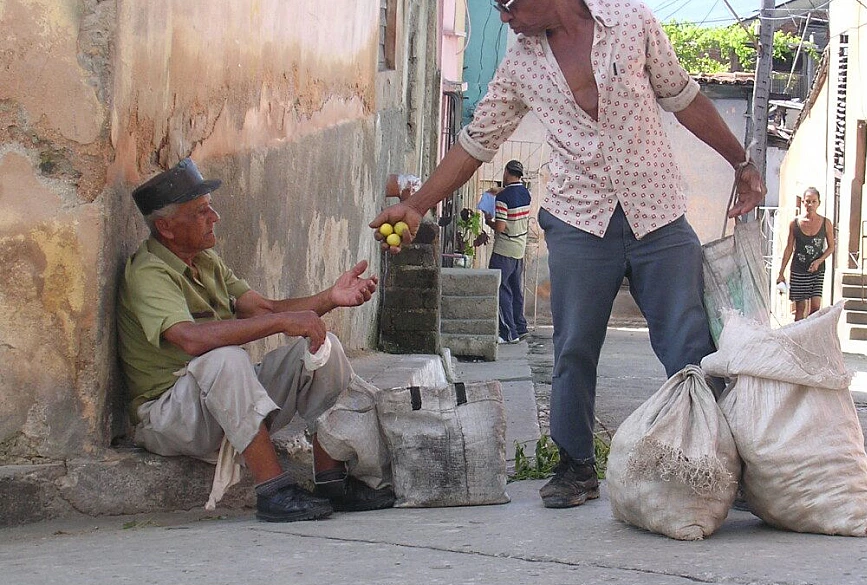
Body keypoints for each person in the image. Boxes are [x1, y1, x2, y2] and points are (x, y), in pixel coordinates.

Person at [369, 0, 765, 509]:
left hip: (657, 209)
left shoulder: (631, 21)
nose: (504, 17)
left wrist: (741, 162)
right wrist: (417, 205)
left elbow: (683, 97)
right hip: (579, 218)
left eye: (507, 5)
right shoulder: (520, 63)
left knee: (690, 345)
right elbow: (476, 142)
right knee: (574, 346)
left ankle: (721, 463)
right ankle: (575, 465)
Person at [117, 158, 394, 522]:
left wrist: (330, 298)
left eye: (210, 207)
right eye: (201, 212)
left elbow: (265, 309)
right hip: (171, 417)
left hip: (223, 404)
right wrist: (280, 322)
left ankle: (332, 481)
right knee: (225, 358)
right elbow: (190, 339)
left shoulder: (206, 261)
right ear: (166, 228)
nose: (214, 217)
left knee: (326, 350)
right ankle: (274, 490)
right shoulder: (148, 272)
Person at [486, 160, 532, 344]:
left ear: (506, 172)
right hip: (519, 248)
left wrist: (488, 220)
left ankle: (508, 333)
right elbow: (514, 193)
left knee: (500, 288)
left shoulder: (503, 198)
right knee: (515, 289)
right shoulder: (526, 193)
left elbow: (500, 227)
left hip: (504, 249)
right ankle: (520, 327)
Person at [776, 187, 835, 320]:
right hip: (799, 269)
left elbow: (831, 247)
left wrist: (819, 261)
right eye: (808, 201)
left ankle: (810, 331)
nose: (810, 205)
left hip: (817, 269)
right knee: (800, 307)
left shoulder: (826, 223)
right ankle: (798, 331)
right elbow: (789, 248)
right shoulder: (795, 223)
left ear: (819, 203)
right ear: (803, 202)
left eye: (814, 201)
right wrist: (781, 272)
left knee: (816, 306)